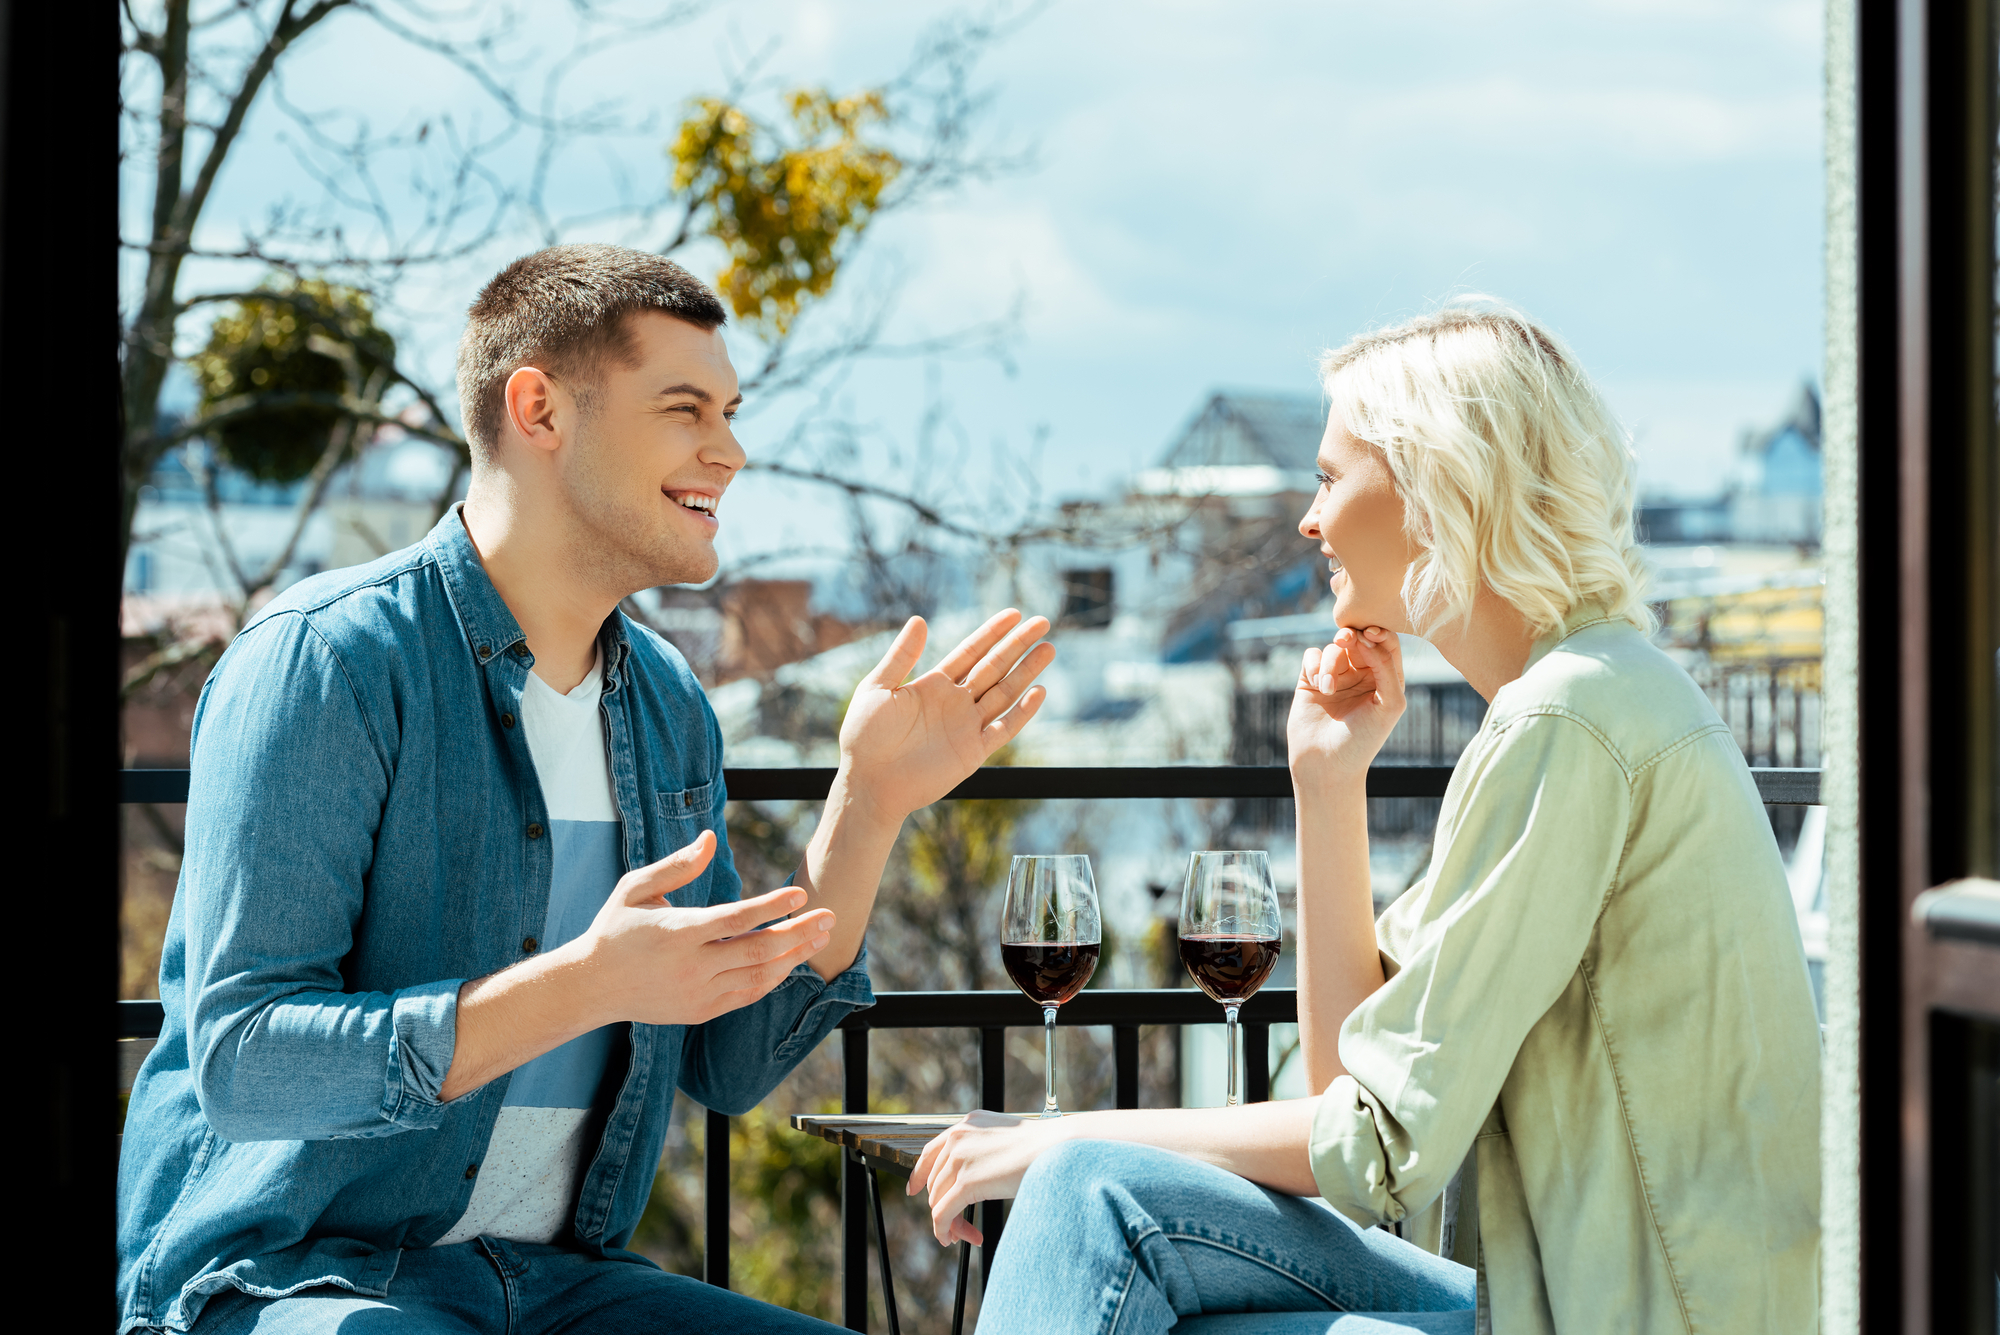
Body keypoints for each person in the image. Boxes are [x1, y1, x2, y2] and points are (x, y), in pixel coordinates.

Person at [117, 244, 1056, 1335]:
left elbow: (730, 1059)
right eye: (684, 409)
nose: (731, 449)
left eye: (730, 411)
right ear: (540, 410)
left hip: (551, 1286)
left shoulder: (663, 705)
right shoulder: (331, 662)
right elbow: (245, 1062)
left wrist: (871, 798)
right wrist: (583, 984)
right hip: (290, 1278)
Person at [911, 303, 1822, 1334]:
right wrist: (1327, 783)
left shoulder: (1567, 720)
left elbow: (1373, 1153)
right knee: (1113, 1216)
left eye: (1330, 477)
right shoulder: (1595, 695)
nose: (1309, 521)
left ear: (1437, 487)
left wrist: (1064, 1137)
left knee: (1088, 1187)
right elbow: (1351, 1085)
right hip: (1559, 1301)